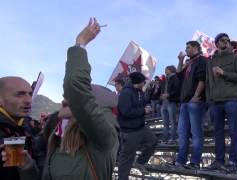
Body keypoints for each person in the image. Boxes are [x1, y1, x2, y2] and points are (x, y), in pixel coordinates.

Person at [41, 18, 119, 180]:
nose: (64, 99)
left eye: (73, 99)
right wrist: (26, 168)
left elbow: (75, 87)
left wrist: (81, 43)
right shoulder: (59, 136)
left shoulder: (103, 137)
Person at [206, 33, 237, 173]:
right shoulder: (211, 61)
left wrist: (224, 73)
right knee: (218, 133)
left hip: (231, 99)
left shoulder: (236, 57)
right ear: (217, 43)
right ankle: (218, 161)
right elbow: (208, 82)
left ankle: (233, 162)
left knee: (233, 131)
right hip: (215, 102)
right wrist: (210, 98)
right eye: (223, 40)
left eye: (228, 41)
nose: (226, 42)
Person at [167, 41, 206, 170]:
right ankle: (180, 161)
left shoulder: (201, 60)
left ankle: (195, 161)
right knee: (182, 133)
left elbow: (202, 79)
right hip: (184, 102)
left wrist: (196, 96)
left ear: (195, 47)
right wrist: (181, 60)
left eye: (188, 47)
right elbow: (178, 74)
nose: (186, 49)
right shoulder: (190, 63)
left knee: (196, 133)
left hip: (195, 101)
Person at [117, 72, 158, 180]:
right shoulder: (126, 93)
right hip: (129, 131)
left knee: (153, 141)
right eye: (143, 82)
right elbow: (126, 111)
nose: (144, 83)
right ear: (139, 82)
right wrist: (143, 111)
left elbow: (144, 103)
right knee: (127, 159)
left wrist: (147, 106)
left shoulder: (140, 91)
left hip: (140, 127)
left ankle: (140, 162)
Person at [0, 76, 40, 180]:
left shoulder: (16, 126)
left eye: (30, 94)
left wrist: (27, 166)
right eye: (20, 94)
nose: (28, 100)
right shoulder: (6, 131)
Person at [160, 65, 180, 144]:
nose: (165, 70)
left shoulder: (175, 78)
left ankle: (173, 139)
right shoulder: (165, 79)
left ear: (171, 70)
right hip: (164, 103)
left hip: (171, 102)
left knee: (173, 121)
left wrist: (169, 95)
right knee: (165, 123)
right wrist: (161, 96)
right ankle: (165, 140)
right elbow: (162, 90)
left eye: (166, 69)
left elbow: (177, 90)